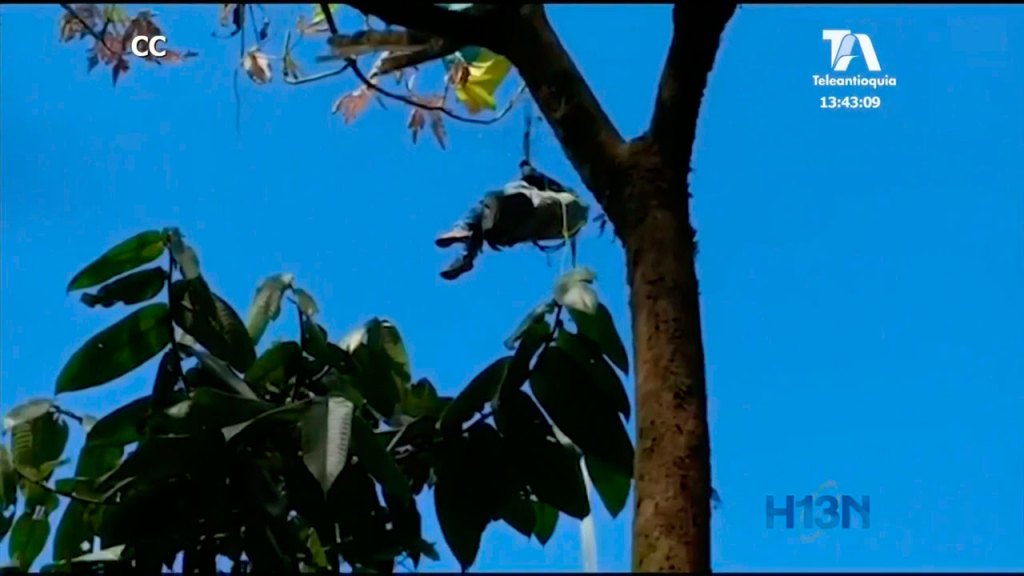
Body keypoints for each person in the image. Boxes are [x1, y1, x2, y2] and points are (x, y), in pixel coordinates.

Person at [435, 162, 588, 280]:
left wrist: (526, 167)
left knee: (489, 203)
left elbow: (533, 177)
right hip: (532, 225)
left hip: (533, 211)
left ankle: (464, 238)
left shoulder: (561, 195)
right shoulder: (572, 218)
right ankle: (466, 250)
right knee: (489, 225)